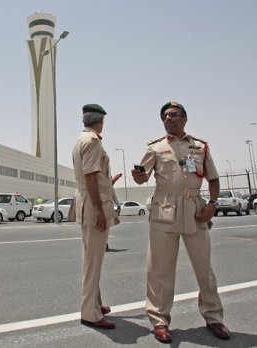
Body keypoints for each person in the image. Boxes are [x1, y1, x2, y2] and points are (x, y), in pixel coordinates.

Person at [131, 101, 230, 343]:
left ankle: (214, 317)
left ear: (185, 119)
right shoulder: (155, 148)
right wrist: (139, 176)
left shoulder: (200, 146)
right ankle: (159, 320)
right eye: (165, 116)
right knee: (159, 270)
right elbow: (141, 178)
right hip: (164, 210)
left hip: (195, 211)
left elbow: (213, 179)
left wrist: (212, 204)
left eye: (174, 115)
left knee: (204, 268)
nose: (168, 119)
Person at [69, 104, 120, 330]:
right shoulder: (92, 142)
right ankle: (90, 312)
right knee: (93, 261)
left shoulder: (82, 139)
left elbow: (92, 176)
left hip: (87, 200)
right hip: (93, 204)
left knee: (91, 257)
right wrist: (99, 209)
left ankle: (94, 304)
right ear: (101, 121)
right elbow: (90, 175)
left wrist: (110, 182)